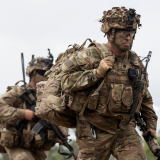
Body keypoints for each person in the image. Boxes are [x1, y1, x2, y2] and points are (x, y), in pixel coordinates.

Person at [36, 7, 158, 160]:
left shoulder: (135, 62)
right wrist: (96, 74)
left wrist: (151, 126)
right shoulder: (89, 56)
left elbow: (144, 96)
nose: (129, 37)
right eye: (123, 33)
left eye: (131, 33)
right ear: (109, 34)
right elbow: (65, 82)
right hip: (93, 129)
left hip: (124, 129)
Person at [0, 55, 68, 160]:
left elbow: (58, 117)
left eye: (50, 74)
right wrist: (23, 114)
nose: (46, 77)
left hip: (37, 147)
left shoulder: (49, 97)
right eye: (43, 73)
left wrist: (60, 134)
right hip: (16, 144)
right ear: (33, 74)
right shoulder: (18, 92)